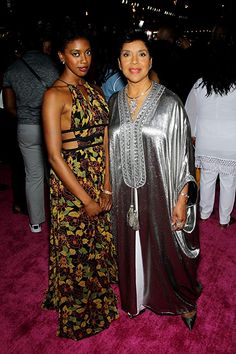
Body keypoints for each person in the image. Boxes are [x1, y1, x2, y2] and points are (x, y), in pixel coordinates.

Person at [108, 31, 201, 330]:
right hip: (125, 195)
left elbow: (186, 154)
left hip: (163, 192)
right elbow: (108, 150)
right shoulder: (113, 103)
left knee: (170, 247)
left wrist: (182, 198)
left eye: (141, 54)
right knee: (131, 244)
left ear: (151, 60)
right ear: (119, 62)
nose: (134, 61)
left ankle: (182, 299)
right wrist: (107, 189)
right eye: (127, 54)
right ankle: (137, 296)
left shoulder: (171, 104)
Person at [42, 23, 118, 340]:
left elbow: (105, 140)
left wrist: (107, 186)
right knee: (76, 251)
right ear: (62, 56)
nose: (83, 59)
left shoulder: (96, 89)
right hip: (70, 183)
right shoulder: (54, 95)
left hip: (98, 176)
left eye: (87, 52)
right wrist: (86, 199)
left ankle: (99, 298)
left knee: (98, 246)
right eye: (75, 53)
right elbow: (54, 157)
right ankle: (79, 314)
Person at [3, 25, 59, 232]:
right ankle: (57, 217)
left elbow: (9, 107)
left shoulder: (11, 69)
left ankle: (35, 222)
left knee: (33, 174)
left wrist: (28, 116)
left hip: (25, 127)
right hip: (50, 127)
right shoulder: (50, 65)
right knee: (54, 171)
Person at [185, 39, 236, 229]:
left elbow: (190, 110)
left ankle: (205, 213)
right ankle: (224, 219)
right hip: (231, 142)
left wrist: (193, 133)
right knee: (229, 181)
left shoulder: (200, 84)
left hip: (206, 140)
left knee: (207, 177)